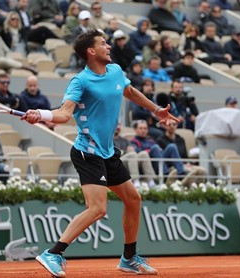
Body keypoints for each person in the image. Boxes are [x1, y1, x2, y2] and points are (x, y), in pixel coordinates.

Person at [20, 29, 179, 277]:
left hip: (107, 152)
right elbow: (64, 113)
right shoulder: (80, 81)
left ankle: (128, 258)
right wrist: (41, 115)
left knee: (133, 200)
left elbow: (128, 91)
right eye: (103, 44)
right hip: (87, 152)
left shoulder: (115, 71)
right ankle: (53, 253)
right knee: (97, 209)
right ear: (91, 51)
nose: (109, 47)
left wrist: (155, 109)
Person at [113, 122, 157, 188]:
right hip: (116, 163)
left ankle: (151, 181)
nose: (118, 127)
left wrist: (131, 150)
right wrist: (126, 151)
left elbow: (131, 149)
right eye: (116, 124)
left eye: (119, 125)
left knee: (143, 154)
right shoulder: (107, 140)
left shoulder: (124, 140)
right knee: (132, 154)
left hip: (128, 162)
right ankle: (135, 181)